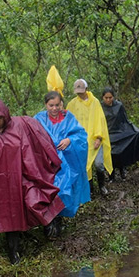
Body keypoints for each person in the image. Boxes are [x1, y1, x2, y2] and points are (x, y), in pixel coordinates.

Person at [0, 97, 64, 264]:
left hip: (24, 179)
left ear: (6, 113)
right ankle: (4, 242)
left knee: (35, 200)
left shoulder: (23, 125)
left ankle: (47, 226)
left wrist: (45, 166)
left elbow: (40, 145)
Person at [35, 91, 91, 224]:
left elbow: (81, 136)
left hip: (66, 164)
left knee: (63, 189)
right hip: (46, 164)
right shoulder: (39, 119)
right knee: (49, 191)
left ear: (61, 104)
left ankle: (58, 218)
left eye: (57, 105)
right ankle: (50, 221)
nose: (54, 108)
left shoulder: (68, 117)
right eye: (51, 105)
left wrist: (70, 140)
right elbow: (31, 137)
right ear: (45, 105)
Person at [66, 79, 113, 195]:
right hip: (80, 141)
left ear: (86, 90)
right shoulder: (72, 104)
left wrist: (98, 138)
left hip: (94, 139)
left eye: (82, 92)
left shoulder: (95, 102)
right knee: (85, 166)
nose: (80, 94)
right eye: (78, 92)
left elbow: (100, 121)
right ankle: (89, 188)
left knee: (98, 164)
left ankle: (102, 186)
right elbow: (68, 122)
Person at [100, 88, 139, 180]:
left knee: (121, 151)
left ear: (113, 97)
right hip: (107, 133)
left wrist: (133, 130)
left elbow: (124, 120)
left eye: (110, 97)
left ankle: (122, 170)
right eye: (106, 98)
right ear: (102, 97)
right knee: (110, 155)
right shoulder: (99, 107)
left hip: (119, 132)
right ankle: (111, 175)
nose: (108, 100)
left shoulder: (119, 106)